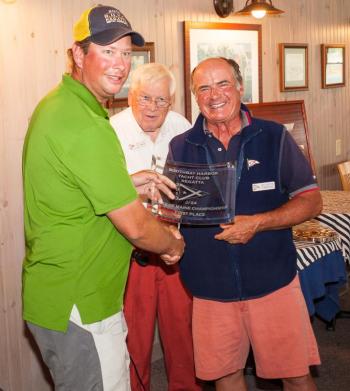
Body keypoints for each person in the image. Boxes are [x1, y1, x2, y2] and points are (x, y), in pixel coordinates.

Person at [22, 5, 184, 391]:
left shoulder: (61, 105)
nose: (120, 64)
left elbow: (76, 191)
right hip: (81, 302)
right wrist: (172, 245)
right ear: (78, 54)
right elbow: (136, 226)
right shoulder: (86, 124)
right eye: (107, 50)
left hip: (59, 294)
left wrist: (127, 182)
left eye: (126, 53)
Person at [167, 57, 322, 391]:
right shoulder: (180, 147)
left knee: (295, 375)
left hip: (273, 284)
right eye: (203, 88)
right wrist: (166, 236)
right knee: (225, 376)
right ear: (195, 96)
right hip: (210, 290)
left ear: (239, 87)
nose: (214, 95)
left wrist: (259, 223)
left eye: (223, 84)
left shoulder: (274, 136)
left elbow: (311, 201)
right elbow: (172, 214)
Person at [110, 63, 201, 391]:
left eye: (160, 100)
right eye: (144, 98)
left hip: (175, 237)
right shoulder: (112, 129)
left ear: (172, 101)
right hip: (130, 241)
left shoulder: (182, 126)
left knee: (183, 328)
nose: (152, 107)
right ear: (130, 96)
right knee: (135, 332)